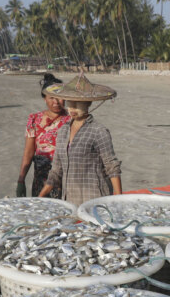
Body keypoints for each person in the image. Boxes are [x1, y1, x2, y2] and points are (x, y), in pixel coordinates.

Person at [38, 73, 122, 207]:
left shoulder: (98, 131)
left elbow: (112, 166)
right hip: (70, 200)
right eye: (70, 103)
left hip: (95, 199)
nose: (72, 108)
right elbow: (56, 170)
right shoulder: (63, 130)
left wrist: (119, 200)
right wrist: (40, 197)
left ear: (88, 103)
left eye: (78, 104)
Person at [16, 73, 70, 198]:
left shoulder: (72, 119)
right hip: (41, 181)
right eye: (51, 97)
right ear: (44, 98)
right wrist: (21, 180)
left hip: (66, 181)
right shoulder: (34, 119)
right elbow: (29, 152)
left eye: (59, 97)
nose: (56, 102)